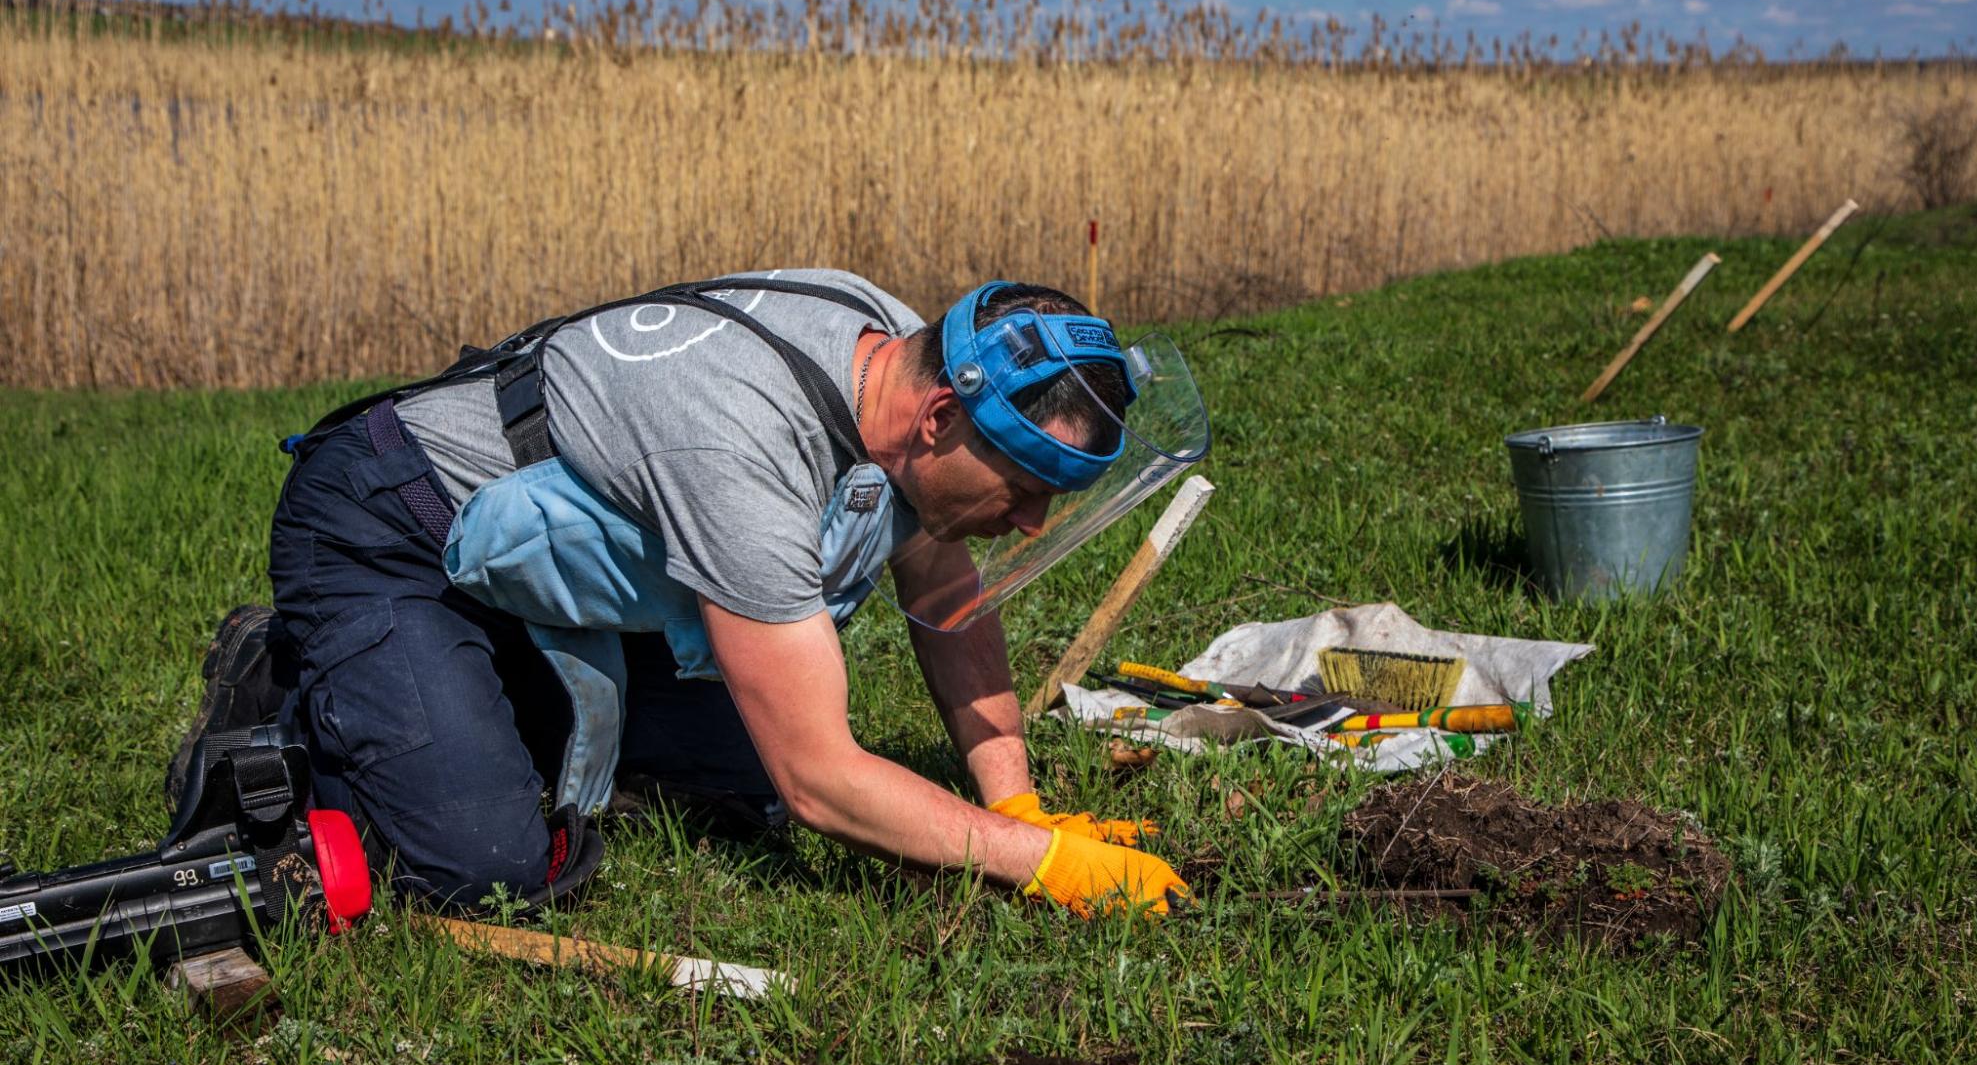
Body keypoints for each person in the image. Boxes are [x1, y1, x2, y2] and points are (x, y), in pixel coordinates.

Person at [168, 272, 1210, 918]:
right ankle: (293, 674)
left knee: (736, 781)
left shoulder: (901, 350)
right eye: (1023, 493)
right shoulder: (743, 450)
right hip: (390, 521)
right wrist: (1038, 864)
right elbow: (823, 781)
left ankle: (465, 692)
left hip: (545, 560)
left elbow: (943, 585)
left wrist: (1013, 800)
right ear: (939, 416)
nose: (1027, 525)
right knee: (485, 864)